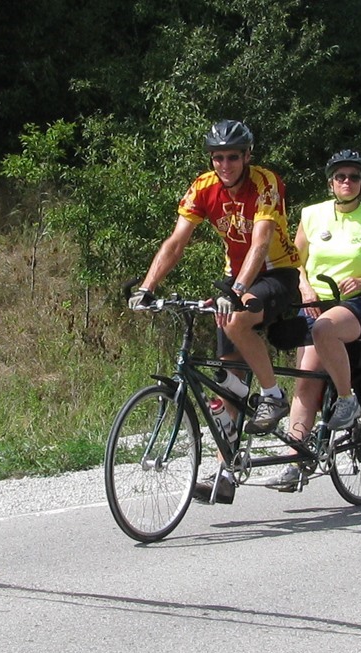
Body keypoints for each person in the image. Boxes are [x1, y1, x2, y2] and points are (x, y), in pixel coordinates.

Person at [128, 120, 301, 504]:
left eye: (233, 157)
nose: (225, 164)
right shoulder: (203, 186)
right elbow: (176, 240)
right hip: (233, 278)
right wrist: (147, 288)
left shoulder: (265, 182)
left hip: (276, 272)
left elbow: (260, 244)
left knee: (238, 320)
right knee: (227, 386)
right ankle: (226, 473)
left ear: (247, 156)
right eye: (219, 157)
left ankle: (273, 395)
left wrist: (238, 291)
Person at [265, 149, 361, 491]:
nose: (347, 182)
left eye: (354, 177)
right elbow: (295, 260)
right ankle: (296, 459)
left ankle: (346, 400)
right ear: (330, 183)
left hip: (359, 302)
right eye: (341, 176)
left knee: (325, 330)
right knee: (305, 382)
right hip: (317, 302)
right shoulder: (312, 216)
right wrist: (305, 287)